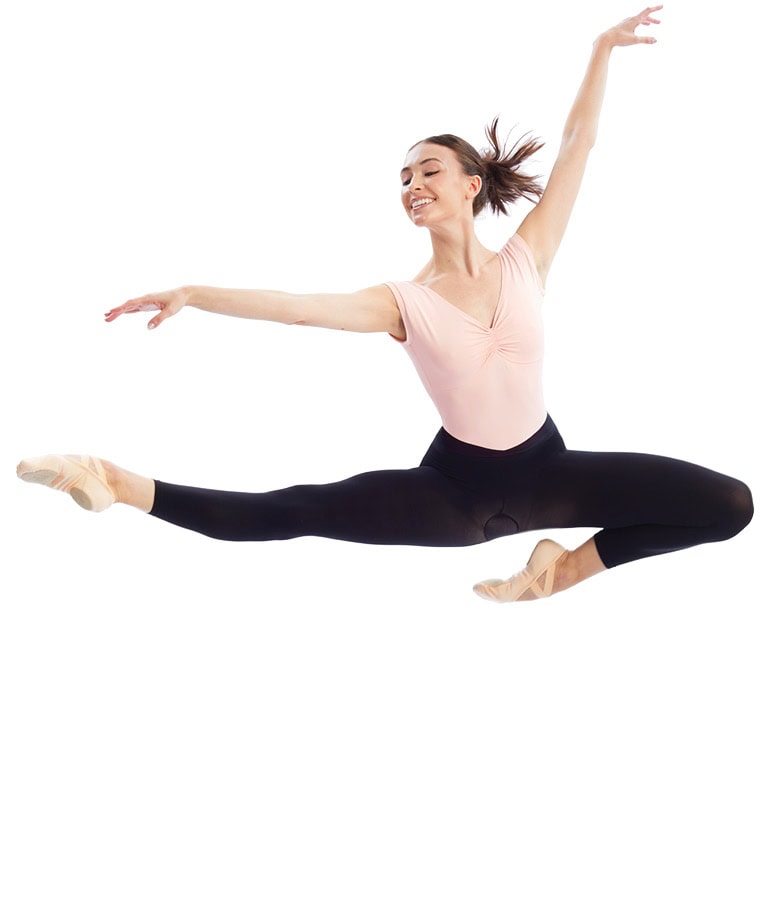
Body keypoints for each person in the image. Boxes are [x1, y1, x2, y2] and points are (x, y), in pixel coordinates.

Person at [16, 6, 753, 602]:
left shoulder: (528, 256)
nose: (412, 186)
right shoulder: (403, 302)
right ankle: (110, 480)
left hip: (551, 478)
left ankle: (561, 572)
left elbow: (578, 144)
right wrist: (194, 294)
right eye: (403, 179)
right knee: (293, 509)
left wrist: (601, 48)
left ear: (470, 184)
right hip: (456, 498)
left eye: (427, 170)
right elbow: (295, 307)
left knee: (729, 506)